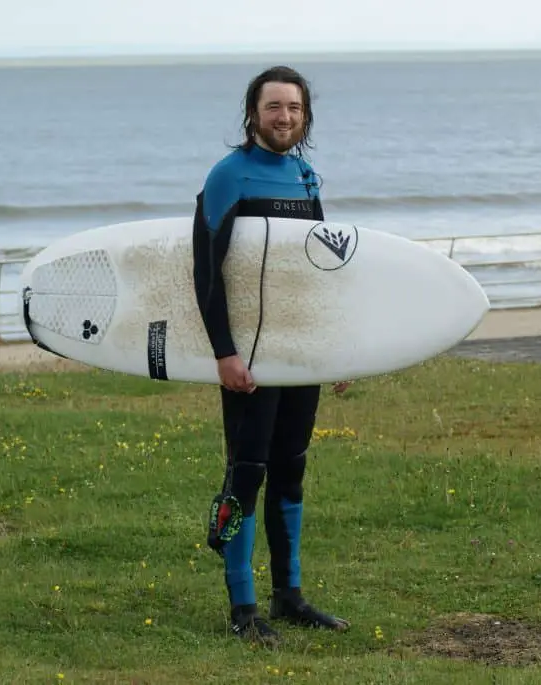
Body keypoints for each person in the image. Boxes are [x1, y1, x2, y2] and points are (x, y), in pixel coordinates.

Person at [192, 65, 351, 646]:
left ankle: (290, 596)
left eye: (294, 108)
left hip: (297, 354)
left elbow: (317, 273)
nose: (284, 117)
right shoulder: (227, 176)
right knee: (247, 474)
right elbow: (207, 274)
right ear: (253, 114)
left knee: (291, 470)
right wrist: (225, 354)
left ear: (305, 115)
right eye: (273, 107)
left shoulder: (306, 177)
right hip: (249, 360)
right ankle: (243, 608)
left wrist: (329, 352)